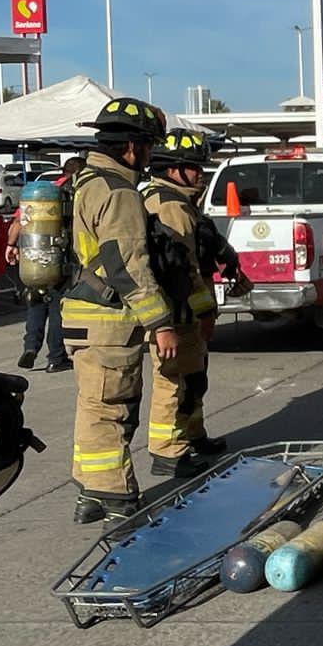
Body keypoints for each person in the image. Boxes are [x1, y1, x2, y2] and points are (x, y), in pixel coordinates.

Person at [62, 97, 175, 525]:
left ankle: (91, 491)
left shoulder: (85, 182)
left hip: (82, 315)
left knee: (93, 406)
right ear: (131, 147)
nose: (150, 155)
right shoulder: (118, 192)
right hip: (108, 320)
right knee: (112, 408)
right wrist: (160, 322)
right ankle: (116, 497)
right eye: (148, 146)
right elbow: (128, 265)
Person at [141, 129, 226, 474]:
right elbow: (185, 268)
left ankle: (194, 434)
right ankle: (168, 453)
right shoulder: (172, 207)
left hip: (179, 307)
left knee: (194, 377)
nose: (200, 174)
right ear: (173, 170)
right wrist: (205, 310)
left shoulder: (168, 199)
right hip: (177, 310)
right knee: (173, 382)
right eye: (194, 167)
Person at [7, 156, 85, 374]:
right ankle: (56, 358)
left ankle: (30, 347)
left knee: (36, 303)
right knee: (57, 308)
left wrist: (11, 245)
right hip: (60, 259)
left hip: (33, 258)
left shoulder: (41, 193)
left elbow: (18, 222)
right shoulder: (74, 193)